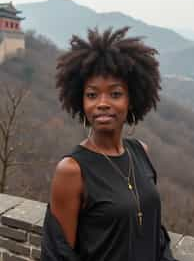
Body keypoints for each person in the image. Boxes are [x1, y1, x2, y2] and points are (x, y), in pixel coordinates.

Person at [41, 27, 178, 261]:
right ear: (80, 101)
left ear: (131, 99)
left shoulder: (141, 152)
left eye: (115, 94)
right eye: (92, 95)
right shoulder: (72, 170)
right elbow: (58, 255)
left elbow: (155, 235)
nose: (102, 103)